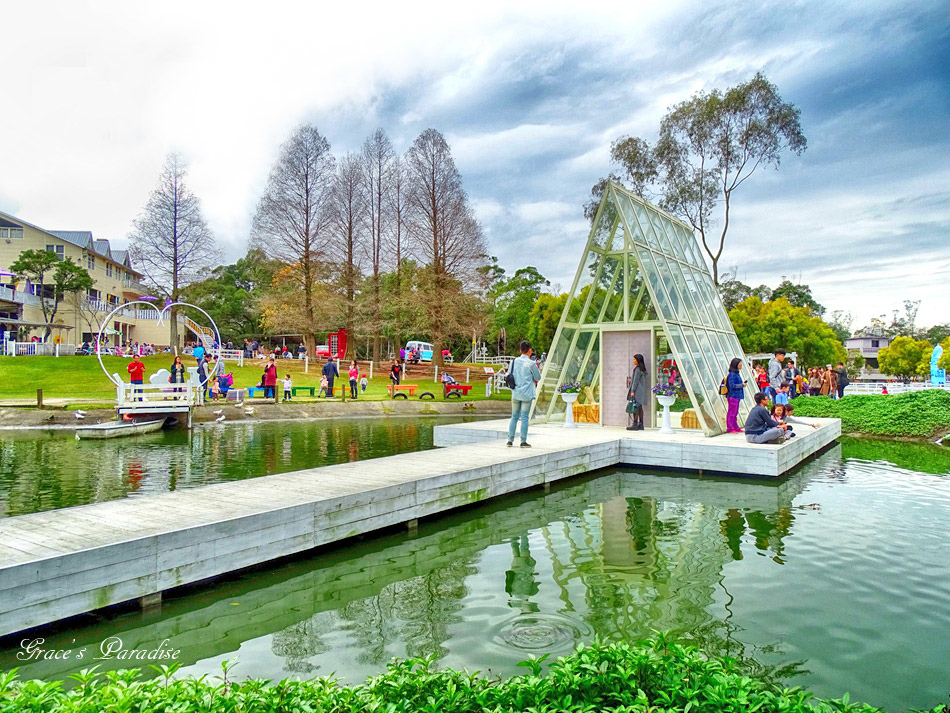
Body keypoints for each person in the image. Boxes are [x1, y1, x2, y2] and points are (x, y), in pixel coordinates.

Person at [507, 340, 542, 447]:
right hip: (527, 393)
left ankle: (510, 440)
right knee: (525, 417)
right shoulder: (531, 364)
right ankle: (523, 441)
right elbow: (538, 377)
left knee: (514, 416)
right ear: (530, 350)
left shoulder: (513, 362)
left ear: (520, 350)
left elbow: (509, 374)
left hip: (516, 392)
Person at [626, 353, 648, 431]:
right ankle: (641, 424)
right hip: (641, 391)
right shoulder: (642, 369)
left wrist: (632, 391)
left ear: (638, 360)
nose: (634, 361)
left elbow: (635, 381)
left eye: (635, 359)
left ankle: (635, 424)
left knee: (635, 406)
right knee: (639, 407)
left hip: (637, 391)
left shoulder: (637, 369)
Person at [725, 358, 746, 433]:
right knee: (732, 412)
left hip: (736, 396)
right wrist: (742, 385)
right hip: (733, 395)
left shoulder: (736, 373)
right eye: (740, 364)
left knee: (735, 412)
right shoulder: (732, 374)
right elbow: (732, 386)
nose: (741, 366)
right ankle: (730, 427)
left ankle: (735, 426)